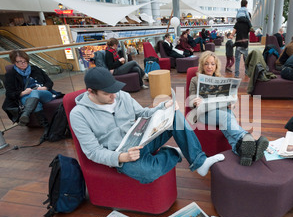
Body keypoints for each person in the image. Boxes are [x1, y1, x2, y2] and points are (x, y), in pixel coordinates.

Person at [69, 66, 225, 184]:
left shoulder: (121, 95)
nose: (114, 96)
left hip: (143, 138)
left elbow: (142, 113)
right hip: (122, 154)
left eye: (114, 90)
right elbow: (93, 151)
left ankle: (200, 161)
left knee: (175, 115)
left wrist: (163, 107)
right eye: (107, 93)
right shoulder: (79, 115)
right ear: (91, 92)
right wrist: (122, 157)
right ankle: (173, 153)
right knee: (148, 174)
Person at [188, 51, 268, 166]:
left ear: (216, 66)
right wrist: (195, 101)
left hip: (221, 110)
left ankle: (241, 150)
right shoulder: (195, 80)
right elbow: (190, 101)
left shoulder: (221, 79)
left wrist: (231, 103)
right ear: (202, 65)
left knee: (228, 115)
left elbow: (229, 99)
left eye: (212, 64)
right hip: (203, 113)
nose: (209, 67)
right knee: (227, 116)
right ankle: (247, 138)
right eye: (206, 64)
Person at [2, 50, 60, 137]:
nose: (23, 63)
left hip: (44, 94)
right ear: (14, 62)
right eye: (20, 62)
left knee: (35, 92)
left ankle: (26, 114)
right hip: (25, 97)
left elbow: (49, 82)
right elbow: (10, 94)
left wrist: (44, 88)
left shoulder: (35, 69)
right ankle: (46, 127)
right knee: (35, 101)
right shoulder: (10, 75)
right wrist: (23, 92)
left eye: (25, 61)